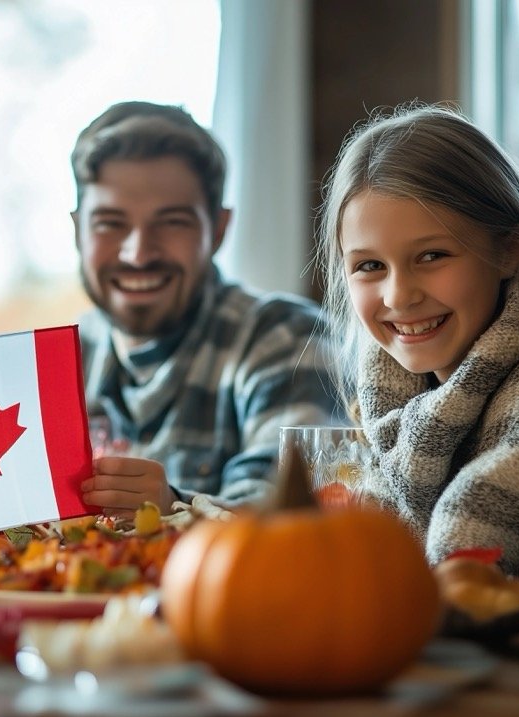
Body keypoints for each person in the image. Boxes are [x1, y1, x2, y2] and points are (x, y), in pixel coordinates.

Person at [315, 105, 519, 580]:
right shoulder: (392, 402)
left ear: (511, 250)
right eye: (369, 266)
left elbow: (463, 571)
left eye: (432, 255)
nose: (399, 295)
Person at [71, 101, 342, 517]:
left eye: (172, 221)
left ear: (217, 230)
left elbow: (288, 520)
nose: (138, 253)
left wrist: (172, 506)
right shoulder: (63, 360)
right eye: (109, 222)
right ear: (78, 230)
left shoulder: (287, 338)